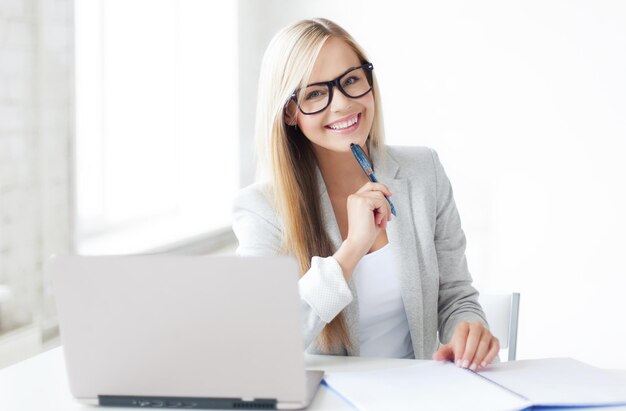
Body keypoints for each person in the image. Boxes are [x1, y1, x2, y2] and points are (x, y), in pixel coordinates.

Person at [232, 18, 499, 371]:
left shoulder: (424, 171)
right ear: (290, 112)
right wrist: (352, 248)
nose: (342, 104)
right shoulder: (261, 209)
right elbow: (260, 340)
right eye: (314, 93)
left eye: (351, 80)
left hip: (422, 396)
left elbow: (456, 297)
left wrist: (468, 330)